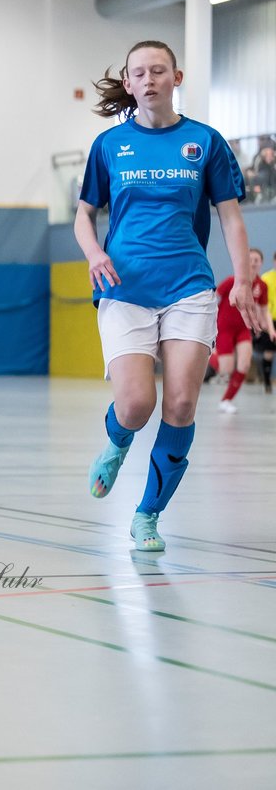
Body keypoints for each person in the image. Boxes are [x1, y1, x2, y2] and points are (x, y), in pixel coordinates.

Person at [75, 40, 265, 553]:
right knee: (137, 404)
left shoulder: (204, 142)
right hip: (125, 288)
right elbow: (84, 214)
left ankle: (147, 516)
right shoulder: (109, 146)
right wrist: (94, 253)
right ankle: (117, 444)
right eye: (139, 72)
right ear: (130, 83)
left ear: (175, 78)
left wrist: (243, 282)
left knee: (180, 403)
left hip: (189, 287)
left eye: (159, 70)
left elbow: (230, 216)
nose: (149, 78)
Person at [211, 248, 274, 413]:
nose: (253, 263)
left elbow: (263, 310)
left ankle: (226, 400)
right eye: (250, 259)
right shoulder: (232, 280)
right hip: (224, 327)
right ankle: (209, 354)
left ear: (261, 263)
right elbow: (213, 297)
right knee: (226, 368)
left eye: (256, 260)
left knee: (244, 364)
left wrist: (269, 328)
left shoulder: (262, 286)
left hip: (243, 329)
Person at [256, 250, 276, 393]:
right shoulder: (266, 278)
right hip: (271, 319)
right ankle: (268, 383)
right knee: (269, 352)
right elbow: (264, 303)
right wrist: (265, 323)